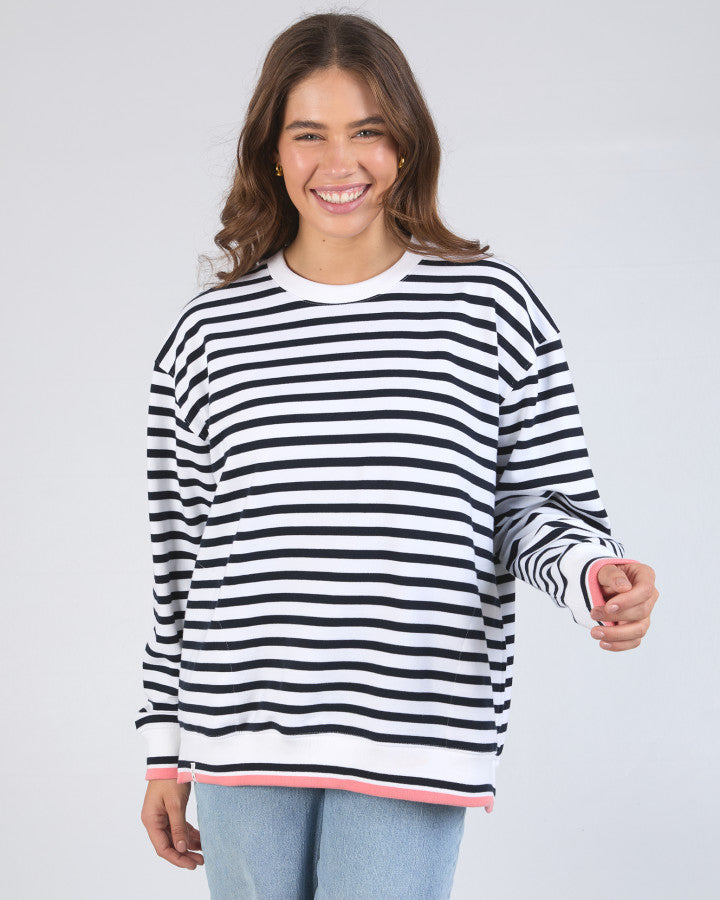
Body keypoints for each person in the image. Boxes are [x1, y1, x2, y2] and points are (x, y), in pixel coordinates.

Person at [136, 11, 658, 898]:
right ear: (272, 151)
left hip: (415, 725)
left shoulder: (488, 308)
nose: (339, 162)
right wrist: (163, 746)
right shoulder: (209, 332)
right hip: (239, 732)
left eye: (368, 131)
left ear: (407, 145)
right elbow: (180, 557)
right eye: (309, 134)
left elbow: (536, 507)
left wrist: (592, 576)